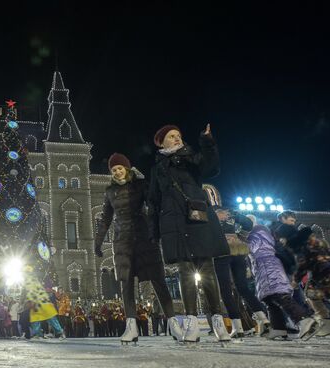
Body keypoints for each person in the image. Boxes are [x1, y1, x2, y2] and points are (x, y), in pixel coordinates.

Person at [147, 124, 231, 344]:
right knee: (185, 270)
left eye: (179, 135)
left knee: (207, 268)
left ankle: (218, 320)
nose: (177, 139)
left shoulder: (191, 158)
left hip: (196, 217)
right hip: (173, 223)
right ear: (161, 142)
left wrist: (207, 141)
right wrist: (154, 233)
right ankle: (191, 322)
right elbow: (153, 203)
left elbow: (211, 167)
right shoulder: (157, 169)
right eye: (172, 136)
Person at [95, 152, 184, 344]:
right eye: (114, 170)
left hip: (144, 236)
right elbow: (105, 219)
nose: (117, 172)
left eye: (120, 168)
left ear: (127, 168)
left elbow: (153, 204)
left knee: (158, 279)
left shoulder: (140, 184)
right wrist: (98, 242)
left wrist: (157, 230)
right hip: (122, 240)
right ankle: (131, 327)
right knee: (126, 284)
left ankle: (174, 324)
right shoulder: (110, 192)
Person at [204, 184, 271, 337]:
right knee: (243, 288)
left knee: (226, 289)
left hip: (220, 251)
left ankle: (237, 327)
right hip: (238, 250)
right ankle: (263, 318)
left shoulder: (207, 213)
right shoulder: (231, 210)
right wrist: (241, 236)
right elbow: (247, 222)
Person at [246, 217, 319, 340]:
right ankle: (278, 328)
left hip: (267, 267)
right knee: (269, 299)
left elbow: (258, 250)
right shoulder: (259, 232)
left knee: (279, 295)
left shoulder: (258, 231)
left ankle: (303, 320)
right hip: (264, 268)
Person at [293, 231, 330, 336]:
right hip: (327, 278)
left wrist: (295, 281)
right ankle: (327, 325)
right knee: (312, 296)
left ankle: (327, 325)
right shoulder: (325, 248)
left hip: (326, 280)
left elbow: (302, 267)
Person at [23, 265, 65, 340]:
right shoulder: (32, 279)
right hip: (41, 301)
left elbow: (32, 291)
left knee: (47, 318)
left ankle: (59, 333)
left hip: (39, 301)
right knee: (41, 318)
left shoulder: (29, 280)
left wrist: (31, 301)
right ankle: (39, 334)